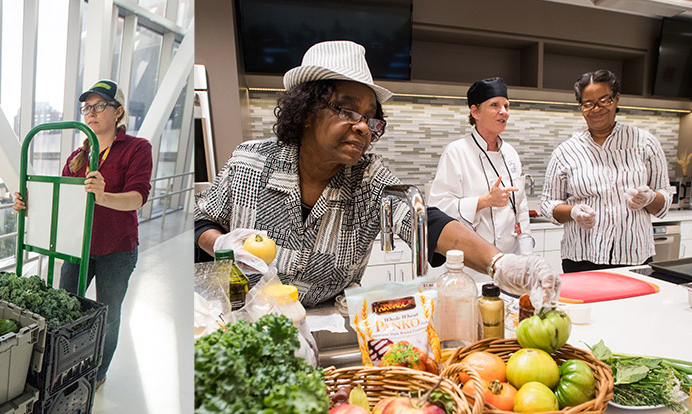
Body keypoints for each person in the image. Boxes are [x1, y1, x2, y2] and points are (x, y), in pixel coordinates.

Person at [194, 40, 560, 308]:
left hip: (325, 319)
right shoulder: (250, 162)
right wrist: (219, 244)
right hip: (246, 322)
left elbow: (424, 219)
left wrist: (501, 263)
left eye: (370, 117)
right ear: (306, 111)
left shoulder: (367, 177)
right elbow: (198, 223)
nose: (363, 127)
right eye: (347, 110)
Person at [14, 79, 153, 388]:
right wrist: (29, 205)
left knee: (109, 313)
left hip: (117, 249)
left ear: (118, 112)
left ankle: (98, 373)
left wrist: (103, 196)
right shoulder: (77, 157)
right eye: (87, 107)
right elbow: (64, 203)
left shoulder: (137, 148)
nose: (91, 112)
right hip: (76, 246)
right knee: (65, 306)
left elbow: (138, 198)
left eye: (100, 105)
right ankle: (62, 366)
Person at [539, 69, 670, 273]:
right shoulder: (565, 152)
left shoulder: (645, 143)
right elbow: (547, 205)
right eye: (588, 103)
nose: (596, 109)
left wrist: (650, 198)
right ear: (581, 107)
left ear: (616, 99)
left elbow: (665, 198)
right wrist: (573, 212)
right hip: (581, 258)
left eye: (604, 100)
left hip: (634, 257)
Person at [427, 77, 532, 270]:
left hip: (511, 262)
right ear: (474, 111)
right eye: (495, 105)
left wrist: (527, 258)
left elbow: (521, 207)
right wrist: (483, 202)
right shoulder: (457, 151)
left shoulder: (511, 153)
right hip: (470, 265)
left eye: (506, 106)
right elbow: (437, 210)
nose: (504, 112)